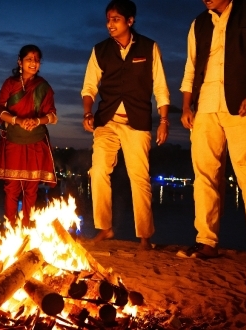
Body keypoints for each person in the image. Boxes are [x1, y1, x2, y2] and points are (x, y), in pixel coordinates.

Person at [176, 0, 246, 268]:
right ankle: (207, 242)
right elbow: (191, 66)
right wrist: (186, 106)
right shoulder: (199, 23)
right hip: (205, 106)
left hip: (242, 104)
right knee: (204, 176)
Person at [81, 0, 170, 250]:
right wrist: (88, 113)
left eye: (116, 19)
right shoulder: (99, 50)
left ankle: (144, 236)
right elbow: (89, 87)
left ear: (130, 21)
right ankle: (105, 228)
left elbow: (160, 87)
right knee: (98, 171)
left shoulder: (149, 48)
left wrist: (163, 120)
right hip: (107, 121)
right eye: (108, 19)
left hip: (137, 122)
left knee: (139, 177)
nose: (110, 24)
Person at [0, 44, 58, 228]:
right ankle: (10, 229)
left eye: (37, 60)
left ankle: (27, 229)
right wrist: (18, 121)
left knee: (31, 189)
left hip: (36, 142)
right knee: (12, 188)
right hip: (13, 140)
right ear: (19, 62)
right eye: (29, 59)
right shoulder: (10, 84)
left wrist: (36, 121)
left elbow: (52, 116)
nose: (33, 63)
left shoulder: (43, 87)